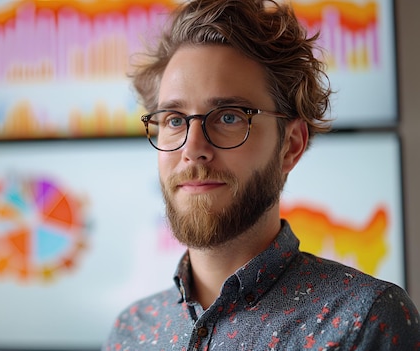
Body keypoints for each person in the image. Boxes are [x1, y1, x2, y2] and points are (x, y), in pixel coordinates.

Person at [102, 0, 420, 349]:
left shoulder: (364, 321)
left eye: (228, 117)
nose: (192, 149)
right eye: (175, 120)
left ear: (291, 145)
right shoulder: (130, 332)